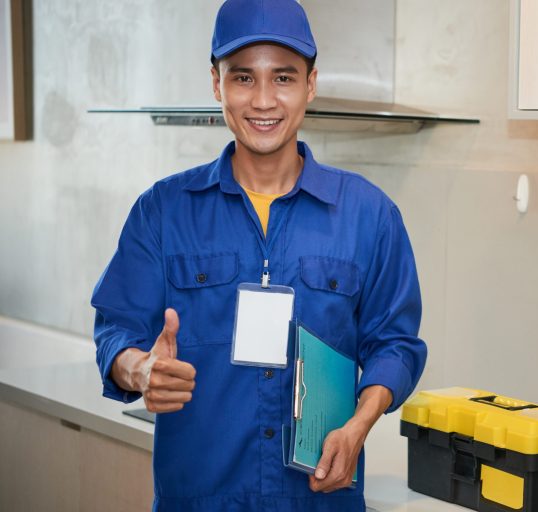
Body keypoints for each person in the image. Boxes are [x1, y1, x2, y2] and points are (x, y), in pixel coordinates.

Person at [90, 0, 427, 510]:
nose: (264, 100)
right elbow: (114, 330)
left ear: (310, 85)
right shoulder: (162, 212)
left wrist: (360, 424)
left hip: (318, 498)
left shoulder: (370, 215)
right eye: (244, 78)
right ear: (216, 84)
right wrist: (138, 370)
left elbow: (395, 344)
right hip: (199, 499)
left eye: (284, 78)